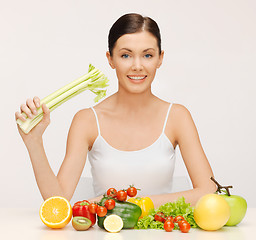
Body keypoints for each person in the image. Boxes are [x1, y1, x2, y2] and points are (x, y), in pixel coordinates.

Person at [15, 13, 216, 207]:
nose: (137, 66)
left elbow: (209, 190)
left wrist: (126, 203)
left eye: (147, 55)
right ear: (110, 59)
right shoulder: (87, 120)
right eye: (126, 55)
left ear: (160, 58)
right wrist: (34, 143)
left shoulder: (177, 117)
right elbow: (57, 203)